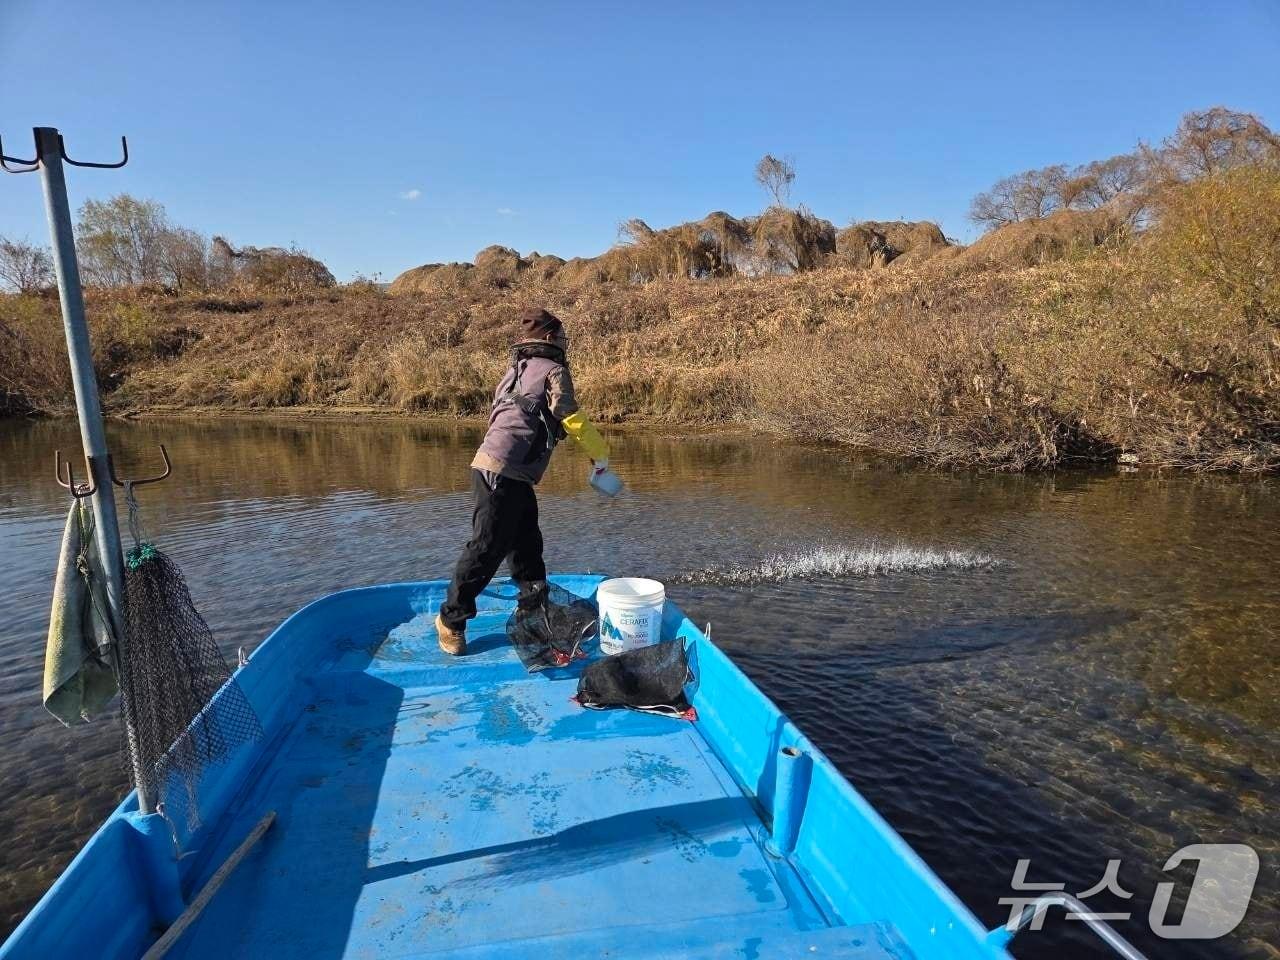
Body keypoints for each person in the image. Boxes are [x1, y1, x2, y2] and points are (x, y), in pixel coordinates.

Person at [435, 307, 610, 655]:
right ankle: (451, 619)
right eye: (562, 337)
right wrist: (599, 453)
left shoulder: (517, 368)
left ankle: (532, 610)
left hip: (502, 470)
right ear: (550, 338)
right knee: (487, 546)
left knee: (527, 544)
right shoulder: (555, 370)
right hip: (501, 471)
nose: (565, 342)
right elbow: (568, 414)